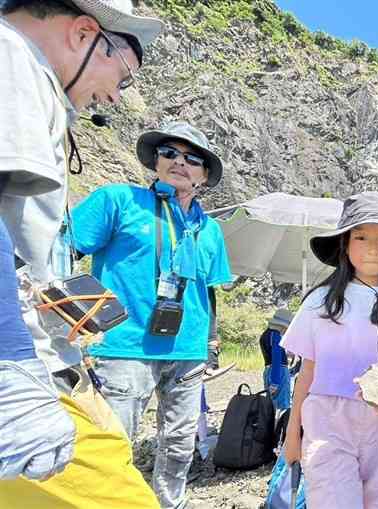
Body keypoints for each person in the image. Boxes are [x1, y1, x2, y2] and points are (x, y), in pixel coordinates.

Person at [0, 1, 164, 507]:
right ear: (85, 33)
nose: (116, 95)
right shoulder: (12, 57)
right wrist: (11, 369)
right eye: (125, 76)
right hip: (27, 373)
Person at [70, 121, 233, 509]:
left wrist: (210, 341)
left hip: (188, 350)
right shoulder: (117, 201)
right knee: (112, 441)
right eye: (170, 153)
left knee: (178, 445)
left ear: (205, 174)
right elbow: (63, 249)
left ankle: (169, 503)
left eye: (193, 159)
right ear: (155, 160)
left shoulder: (209, 229)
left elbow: (208, 291)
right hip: (125, 345)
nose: (180, 162)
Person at [280, 191, 378, 509]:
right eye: (361, 237)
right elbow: (307, 371)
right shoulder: (319, 302)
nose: (373, 248)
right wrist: (293, 433)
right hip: (327, 420)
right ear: (345, 245)